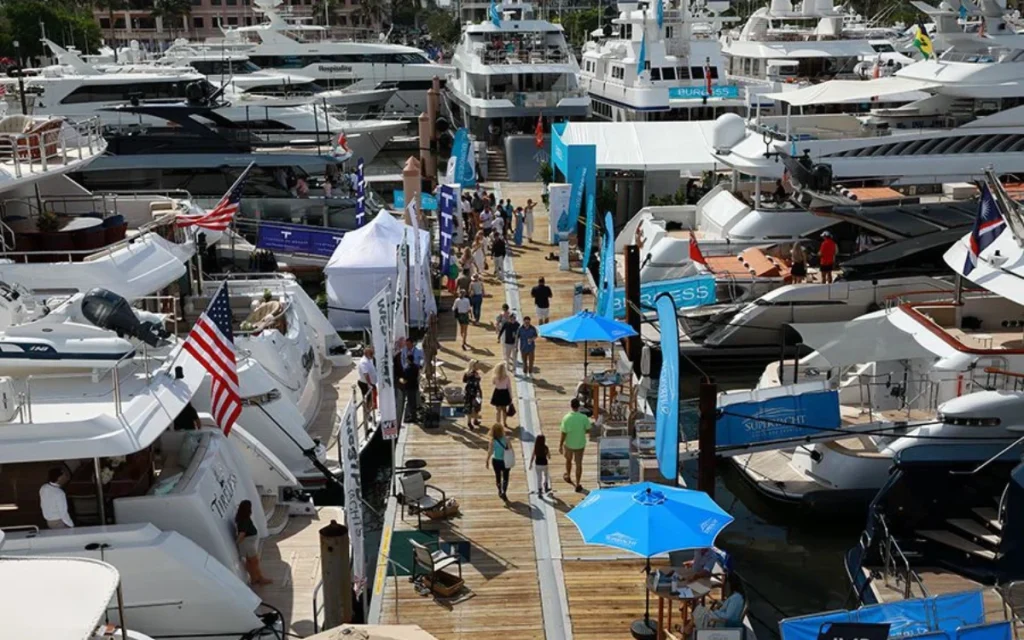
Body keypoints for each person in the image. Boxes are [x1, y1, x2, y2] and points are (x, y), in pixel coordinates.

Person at [236, 500, 272, 586]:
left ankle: (254, 578)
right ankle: (260, 578)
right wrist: (237, 542)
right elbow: (242, 533)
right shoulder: (244, 520)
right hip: (247, 543)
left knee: (250, 562)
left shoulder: (242, 517)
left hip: (248, 542)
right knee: (254, 561)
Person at [559, 398, 590, 492]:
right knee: (578, 464)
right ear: (579, 406)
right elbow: (588, 430)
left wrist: (560, 445)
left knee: (568, 460)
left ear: (571, 406)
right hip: (580, 444)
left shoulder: (566, 418)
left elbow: (563, 433)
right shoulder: (584, 418)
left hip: (569, 444)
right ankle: (577, 483)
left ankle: (568, 476)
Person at [399, 338, 424, 423]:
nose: (407, 346)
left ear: (412, 344)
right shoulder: (404, 351)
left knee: (411, 399)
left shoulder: (418, 351)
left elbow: (422, 359)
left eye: (408, 344)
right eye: (406, 344)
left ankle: (414, 414)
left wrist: (401, 380)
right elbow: (402, 359)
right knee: (413, 396)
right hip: (413, 376)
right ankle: (415, 410)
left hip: (410, 381)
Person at [486, 423, 512, 499]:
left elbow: (490, 451)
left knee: (498, 476)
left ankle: (499, 490)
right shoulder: (506, 439)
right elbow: (510, 449)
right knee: (506, 477)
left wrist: (487, 460)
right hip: (505, 460)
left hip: (496, 460)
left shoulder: (492, 441)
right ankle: (504, 491)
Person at [490, 362, 513, 428]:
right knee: (504, 410)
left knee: (498, 411)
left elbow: (493, 383)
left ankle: (498, 423)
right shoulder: (507, 377)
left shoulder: (495, 377)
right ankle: (505, 423)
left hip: (497, 393)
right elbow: (509, 387)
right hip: (504, 393)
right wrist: (511, 396)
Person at [463, 360, 483, 429]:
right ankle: (475, 420)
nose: (479, 366)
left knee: (469, 406)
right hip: (476, 392)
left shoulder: (466, 373)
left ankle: (469, 422)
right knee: (477, 406)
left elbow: (464, 380)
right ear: (474, 366)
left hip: (468, 391)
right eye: (477, 365)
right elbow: (477, 381)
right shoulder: (474, 374)